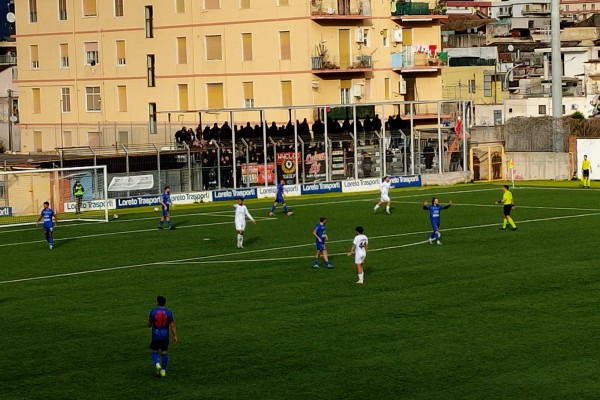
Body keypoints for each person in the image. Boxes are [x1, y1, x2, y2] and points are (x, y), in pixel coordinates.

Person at [147, 295, 177, 378]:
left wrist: (150, 323)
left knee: (154, 351)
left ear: (157, 302)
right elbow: (172, 325)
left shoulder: (153, 311)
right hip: (165, 336)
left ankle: (157, 364)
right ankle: (163, 370)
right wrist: (175, 336)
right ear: (165, 303)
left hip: (156, 335)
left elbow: (149, 324)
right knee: (164, 352)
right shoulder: (168, 312)